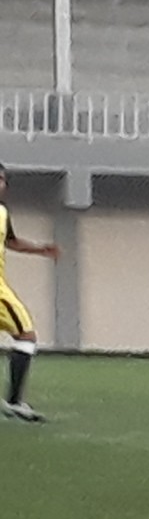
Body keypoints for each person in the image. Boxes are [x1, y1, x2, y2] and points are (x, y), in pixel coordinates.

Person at [0, 165, 59, 423]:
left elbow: (10, 242)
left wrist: (40, 249)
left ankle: (15, 401)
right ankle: (14, 402)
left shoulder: (2, 213)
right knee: (26, 334)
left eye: (2, 179)